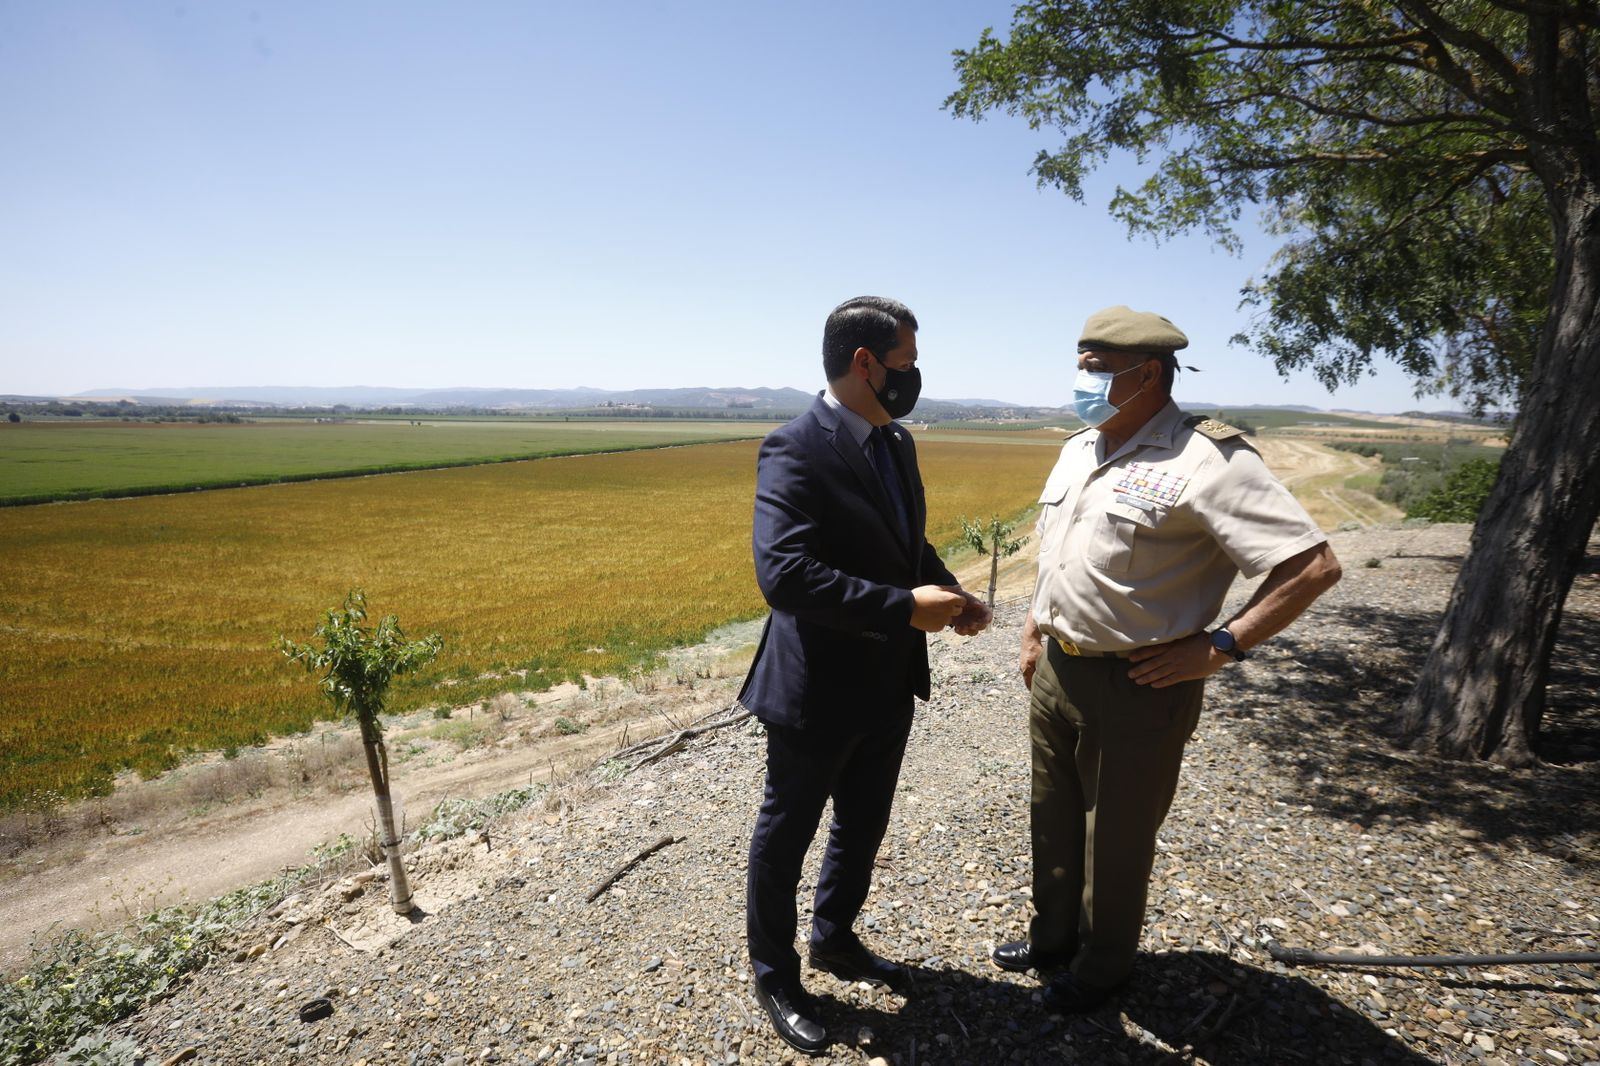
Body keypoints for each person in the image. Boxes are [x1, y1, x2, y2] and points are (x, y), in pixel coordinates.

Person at [991, 305, 1342, 1012]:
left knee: (1115, 839)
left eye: (1094, 371)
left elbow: (1312, 566)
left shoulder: (1207, 458)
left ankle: (1102, 970)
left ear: (1147, 374)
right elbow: (1058, 555)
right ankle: (1052, 939)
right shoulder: (1081, 447)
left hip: (1141, 681)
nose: (1080, 383)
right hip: (1059, 666)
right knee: (1051, 815)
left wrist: (1220, 646)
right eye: (1081, 367)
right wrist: (1034, 627)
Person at [740, 295, 992, 1053]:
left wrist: (950, 593)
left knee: (862, 823)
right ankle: (777, 974)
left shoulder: (896, 443)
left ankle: (835, 938)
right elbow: (782, 576)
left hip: (888, 680)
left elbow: (905, 544)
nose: (913, 380)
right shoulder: (795, 446)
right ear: (864, 363)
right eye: (906, 366)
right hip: (816, 688)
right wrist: (898, 608)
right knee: (786, 836)